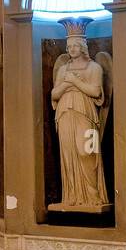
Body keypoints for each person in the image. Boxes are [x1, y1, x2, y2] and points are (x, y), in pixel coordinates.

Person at [50, 34, 109, 210]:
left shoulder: (94, 67)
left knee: (86, 151)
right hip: (64, 113)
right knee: (69, 154)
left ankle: (93, 194)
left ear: (83, 46)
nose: (71, 49)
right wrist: (69, 85)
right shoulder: (63, 69)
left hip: (85, 112)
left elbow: (96, 92)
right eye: (68, 46)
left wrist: (74, 81)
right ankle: (72, 196)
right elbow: (54, 94)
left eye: (75, 45)